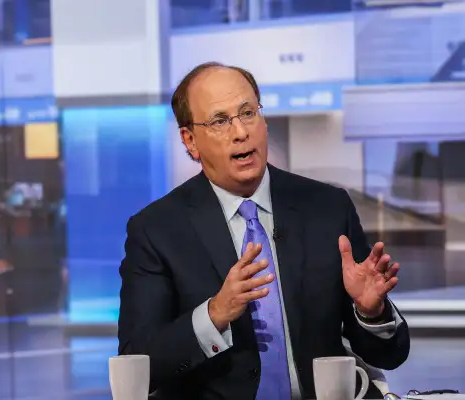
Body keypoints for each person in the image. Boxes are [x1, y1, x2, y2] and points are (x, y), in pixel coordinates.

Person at [117, 62, 410, 399]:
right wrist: (214, 315)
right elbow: (138, 363)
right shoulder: (157, 230)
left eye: (248, 113)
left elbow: (390, 355)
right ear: (190, 140)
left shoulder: (327, 208)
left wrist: (371, 313)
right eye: (220, 121)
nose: (240, 132)